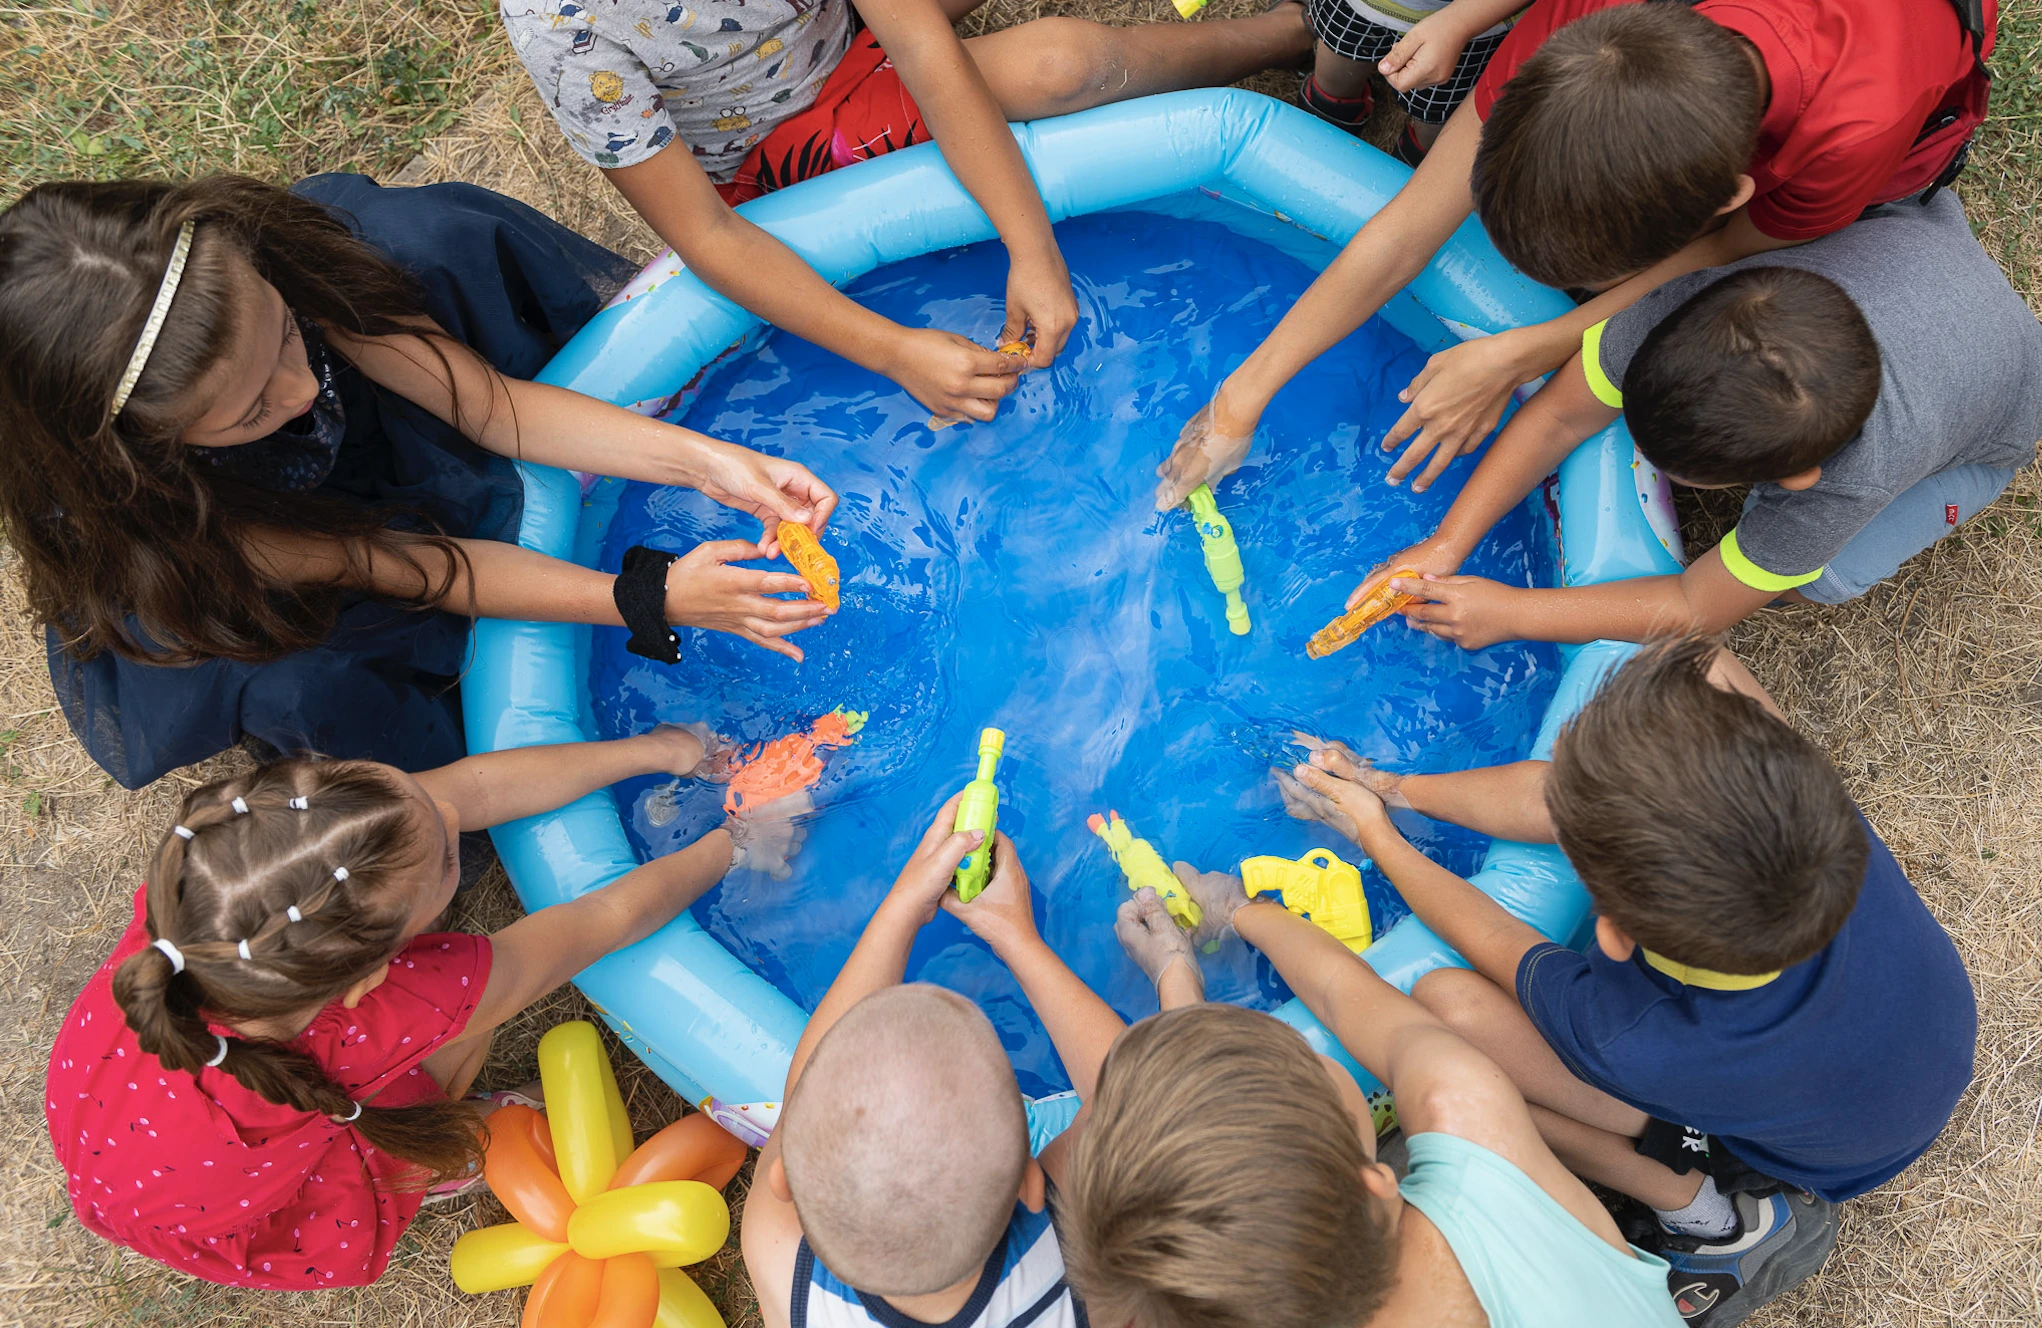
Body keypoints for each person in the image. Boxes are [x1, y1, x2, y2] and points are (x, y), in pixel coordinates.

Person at [0, 174, 840, 788]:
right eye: (254, 405)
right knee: (316, 684)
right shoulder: (184, 519)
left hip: (325, 425)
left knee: (429, 242)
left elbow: (491, 408)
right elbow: (427, 568)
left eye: (289, 339)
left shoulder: (284, 281)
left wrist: (713, 462)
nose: (299, 390)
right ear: (150, 447)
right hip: (276, 545)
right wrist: (646, 598)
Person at [1268, 638, 1975, 1324]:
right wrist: (1389, 784)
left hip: (1816, 1154)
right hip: (1919, 1060)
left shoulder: (1632, 1036)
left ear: (1611, 934)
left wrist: (1377, 832)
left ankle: (1707, 1210)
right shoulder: (1811, 821)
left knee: (1449, 1017)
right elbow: (1707, 668)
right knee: (1701, 687)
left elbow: (1489, 936)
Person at [1155, 0, 1996, 521]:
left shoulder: (1851, 134)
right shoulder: (1598, 29)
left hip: (1907, 59)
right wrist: (1243, 394)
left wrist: (1524, 348)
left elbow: (1727, 251)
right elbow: (1411, 225)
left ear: (1730, 191)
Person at [44, 726, 796, 1288]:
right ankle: (413, 1163)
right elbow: (599, 925)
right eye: (446, 858)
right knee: (478, 1008)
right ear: (371, 976)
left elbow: (464, 790)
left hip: (119, 1139)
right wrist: (735, 842)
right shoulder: (401, 1006)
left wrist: (664, 749)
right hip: (262, 1214)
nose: (445, 812)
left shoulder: (205, 907)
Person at [502, 0, 1312, 424]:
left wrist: (1033, 250)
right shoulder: (561, 25)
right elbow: (707, 235)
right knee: (1066, 66)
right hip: (776, 153)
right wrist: (894, 352)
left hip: (842, 40)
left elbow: (922, 47)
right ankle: (1293, 32)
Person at [1365, 189, 2042, 648]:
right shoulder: (1682, 309)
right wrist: (1450, 542)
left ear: (1800, 476)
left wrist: (1511, 613)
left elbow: (1695, 606)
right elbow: (1560, 419)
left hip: (2003, 402)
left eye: (1678, 473)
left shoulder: (1852, 480)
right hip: (1920, 249)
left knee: (1816, 577)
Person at [1067, 899, 1686, 1326]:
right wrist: (1238, 909)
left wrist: (1174, 975)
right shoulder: (1474, 1142)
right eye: (1306, 1067)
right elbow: (1343, 993)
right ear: (1375, 1181)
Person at [741, 795, 1125, 1328]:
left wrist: (900, 908)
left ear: (784, 1182)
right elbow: (1136, 1099)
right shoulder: (1077, 1275)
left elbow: (807, 1085)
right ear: (1032, 1187)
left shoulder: (782, 1266)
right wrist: (1017, 938)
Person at [1299, 0, 1521, 162]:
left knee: (1436, 121)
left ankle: (1414, 168)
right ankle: (1329, 116)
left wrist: (1460, 23)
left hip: (1472, 25)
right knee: (1332, 85)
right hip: (1356, 5)